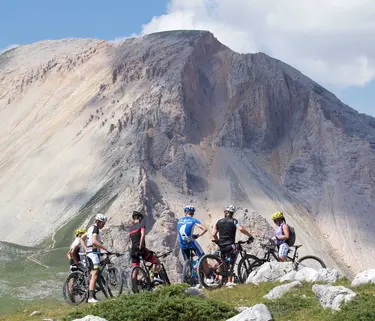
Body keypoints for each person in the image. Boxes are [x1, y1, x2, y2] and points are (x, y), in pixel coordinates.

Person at [212, 205, 254, 286]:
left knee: (223, 260)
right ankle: (231, 268)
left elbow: (213, 234)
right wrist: (250, 236)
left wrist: (218, 241)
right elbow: (241, 229)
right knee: (237, 247)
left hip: (221, 246)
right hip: (230, 245)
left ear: (225, 213)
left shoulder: (219, 222)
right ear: (232, 213)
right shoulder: (234, 221)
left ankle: (220, 278)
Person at [81, 213, 111, 303]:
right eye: (103, 223)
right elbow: (94, 241)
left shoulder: (90, 228)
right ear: (98, 222)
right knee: (95, 274)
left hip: (90, 253)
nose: (104, 225)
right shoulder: (96, 229)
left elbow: (82, 238)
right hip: (93, 254)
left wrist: (86, 248)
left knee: (92, 274)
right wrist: (106, 248)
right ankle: (90, 298)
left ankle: (90, 296)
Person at [129, 211, 163, 283]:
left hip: (133, 251)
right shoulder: (141, 224)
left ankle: (134, 287)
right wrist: (141, 246)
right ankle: (154, 277)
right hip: (141, 250)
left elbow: (132, 240)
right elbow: (142, 235)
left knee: (135, 270)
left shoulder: (131, 228)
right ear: (139, 218)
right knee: (157, 262)